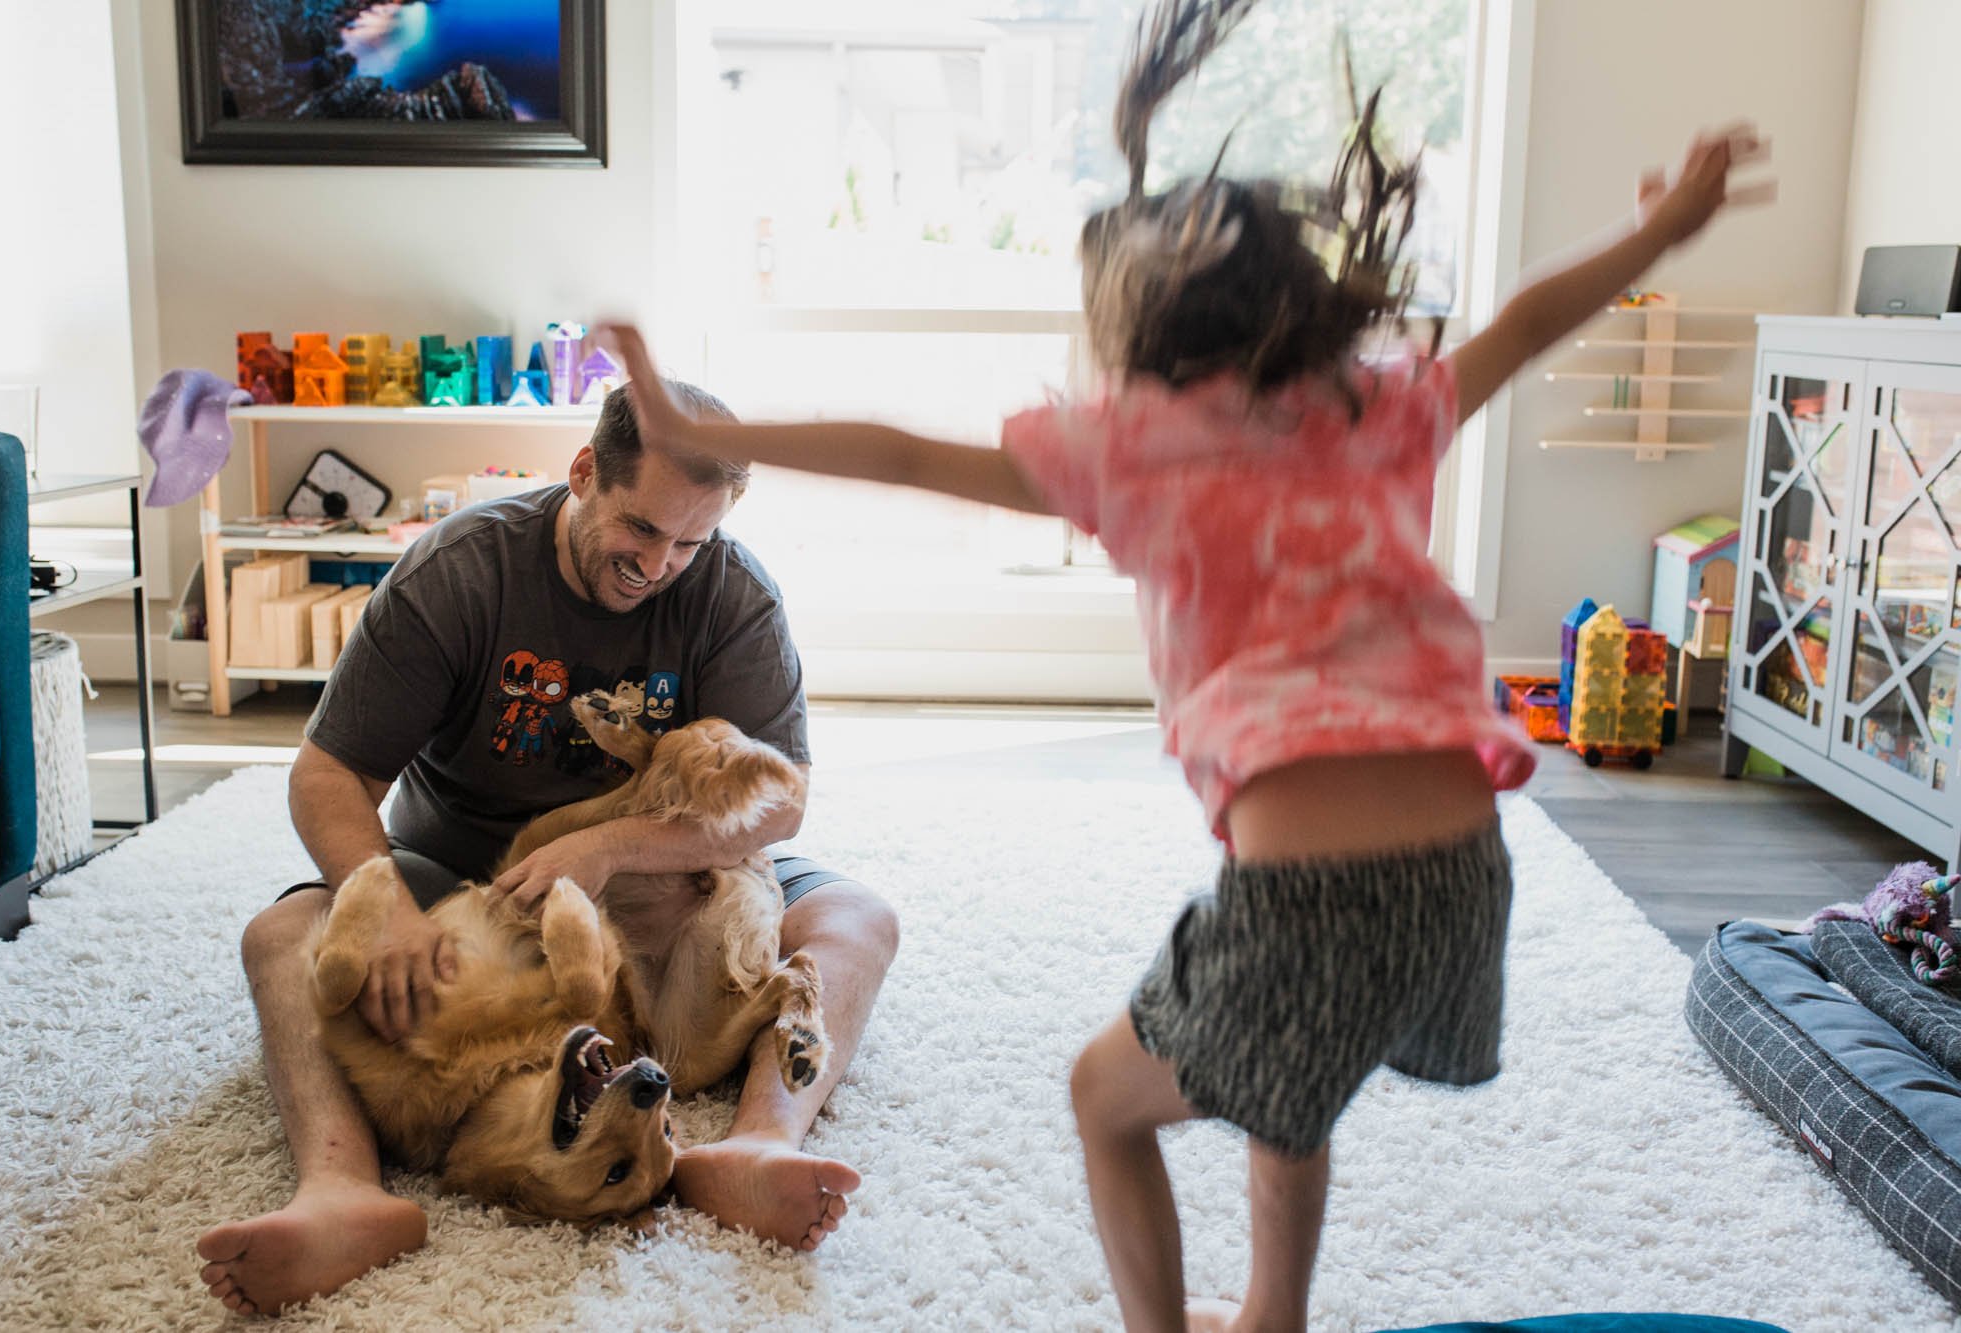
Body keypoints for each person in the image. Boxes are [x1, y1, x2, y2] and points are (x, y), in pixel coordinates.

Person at [598, 13, 1770, 1329]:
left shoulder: (1134, 448)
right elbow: (1526, 319)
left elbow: (905, 452)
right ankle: (1273, 1315)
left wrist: (703, 423)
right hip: (1467, 875)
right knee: (1293, 1087)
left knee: (1108, 1101)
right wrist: (1659, 234)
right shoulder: (1373, 404)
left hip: (1309, 895)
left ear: (1139, 331)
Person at [195, 382, 900, 1317]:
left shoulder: (731, 593)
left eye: (690, 542)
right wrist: (394, 914)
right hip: (465, 870)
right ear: (583, 474)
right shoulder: (460, 572)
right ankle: (342, 1190)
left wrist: (611, 848)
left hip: (652, 865)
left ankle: (757, 1142)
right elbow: (327, 775)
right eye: (641, 530)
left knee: (859, 918)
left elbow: (783, 803)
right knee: (285, 934)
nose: (659, 565)